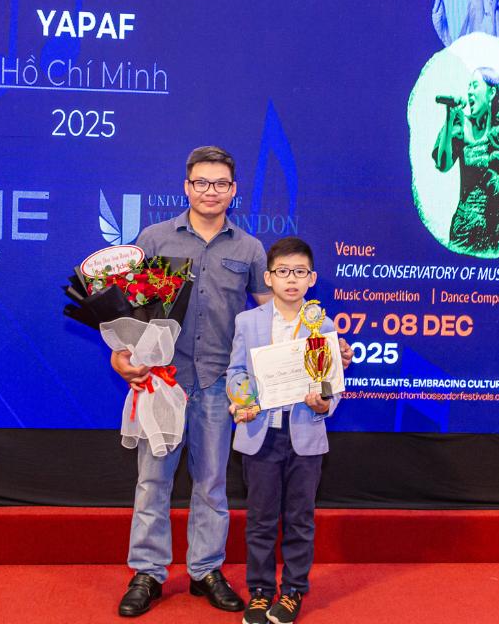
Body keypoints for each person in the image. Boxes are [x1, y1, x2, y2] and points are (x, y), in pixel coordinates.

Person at [112, 147, 353, 617]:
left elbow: (277, 316)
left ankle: (205, 570)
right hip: (163, 381)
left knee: (212, 484)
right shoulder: (154, 239)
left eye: (220, 183)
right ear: (187, 187)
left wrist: (325, 349)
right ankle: (147, 572)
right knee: (152, 481)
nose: (211, 191)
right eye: (202, 182)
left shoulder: (249, 249)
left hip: (221, 384)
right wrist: (120, 353)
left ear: (233, 190)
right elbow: (132, 310)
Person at [227, 237, 337, 624]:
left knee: (299, 519)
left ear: (312, 279)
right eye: (283, 271)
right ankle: (260, 591)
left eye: (300, 272)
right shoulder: (248, 321)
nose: (292, 279)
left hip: (305, 435)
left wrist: (324, 402)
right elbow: (236, 371)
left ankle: (292, 591)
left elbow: (330, 382)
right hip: (261, 434)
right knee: (260, 519)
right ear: (268, 277)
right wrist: (240, 398)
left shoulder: (322, 324)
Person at [432, 68, 499, 257]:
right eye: (468, 87)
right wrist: (449, 117)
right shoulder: (461, 125)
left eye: (475, 86)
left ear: (491, 92)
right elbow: (443, 164)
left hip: (497, 235)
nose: (469, 92)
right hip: (465, 231)